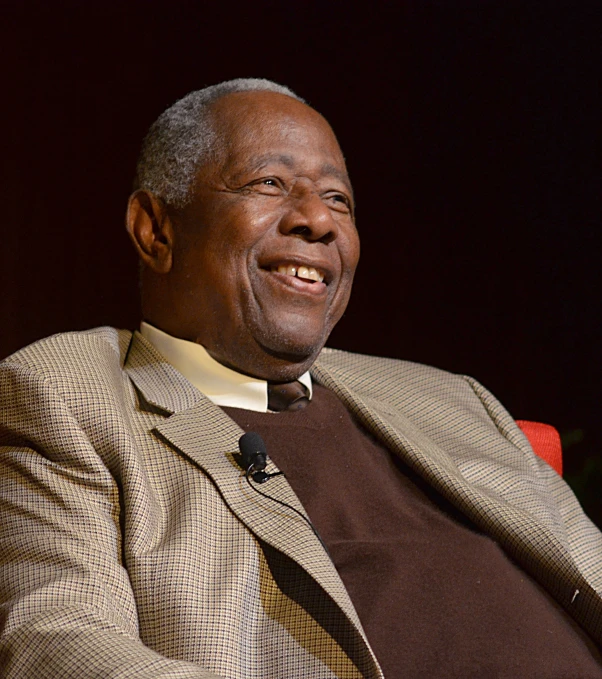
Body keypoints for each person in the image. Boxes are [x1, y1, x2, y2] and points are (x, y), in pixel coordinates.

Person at [1, 78, 601, 679]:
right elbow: (60, 642)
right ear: (156, 229)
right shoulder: (66, 394)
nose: (317, 220)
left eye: (338, 199)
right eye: (269, 183)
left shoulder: (452, 398)